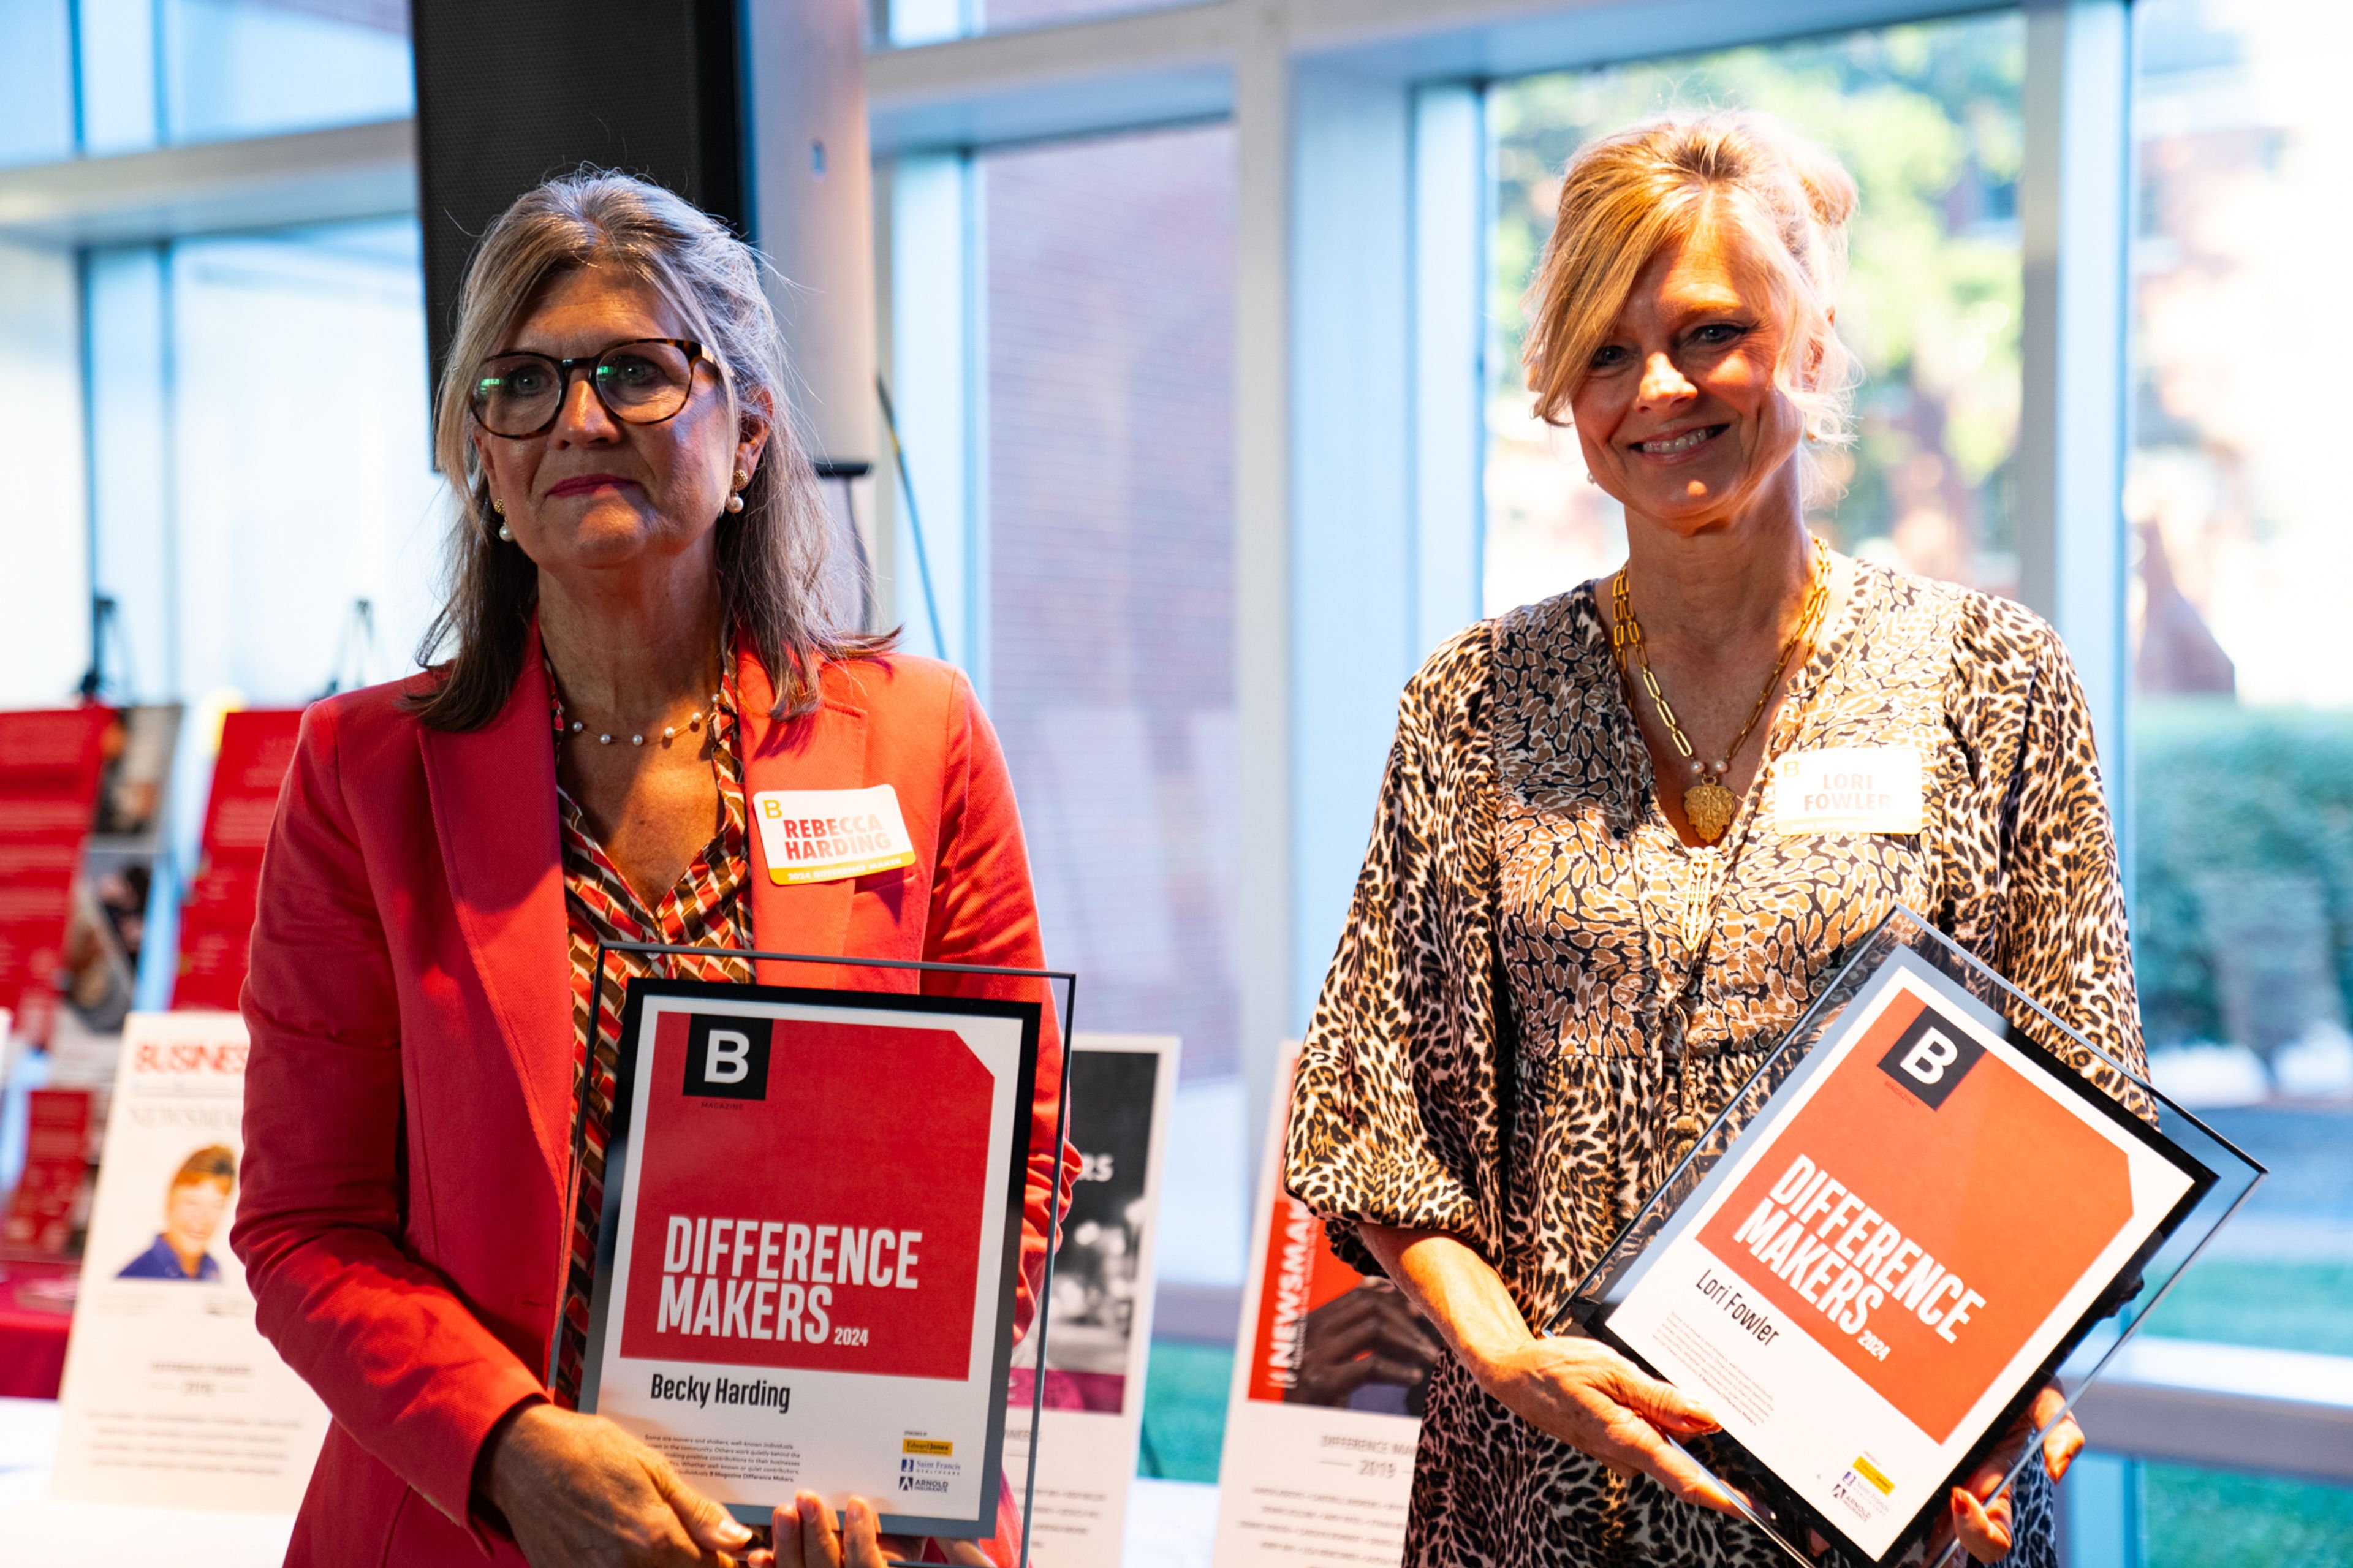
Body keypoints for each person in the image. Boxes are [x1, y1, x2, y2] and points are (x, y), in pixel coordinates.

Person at [1284, 111, 2133, 1568]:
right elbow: (1373, 1117)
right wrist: (1504, 1357)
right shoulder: (1473, 704)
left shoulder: (1992, 683)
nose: (1655, 389)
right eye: (1603, 351)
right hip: (1540, 1495)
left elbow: (2082, 1106)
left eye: (1708, 332)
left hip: (1896, 1501)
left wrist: (1991, 1399)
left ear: (1805, 344)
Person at [233, 170, 1076, 1568]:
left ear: (744, 426)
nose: (578, 419)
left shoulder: (920, 737)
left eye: (634, 370)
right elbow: (304, 1224)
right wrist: (506, 1445)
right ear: (483, 458)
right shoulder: (359, 776)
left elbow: (1014, 1157)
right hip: (474, 1524)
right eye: (523, 382)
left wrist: (861, 1439)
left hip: (841, 1530)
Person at [117, 1144, 234, 1281]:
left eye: (217, 1205)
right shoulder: (135, 1277)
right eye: (192, 1202)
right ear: (170, 1202)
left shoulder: (212, 1270)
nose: (203, 1217)